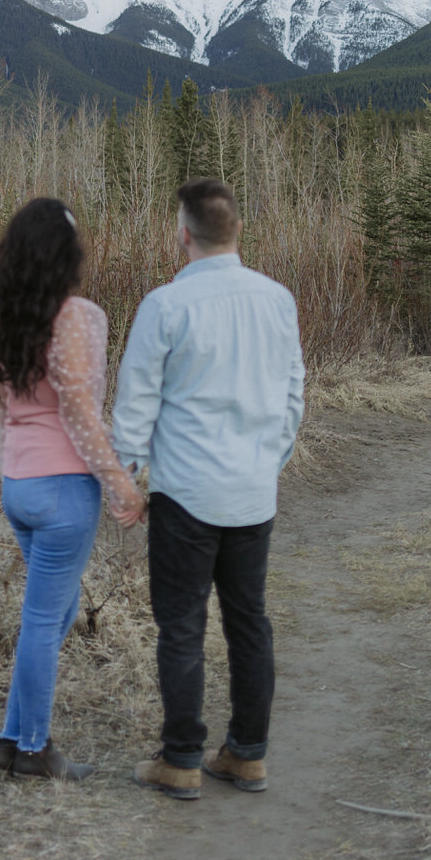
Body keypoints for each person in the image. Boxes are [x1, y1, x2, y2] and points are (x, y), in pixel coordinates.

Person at [112, 178, 305, 800]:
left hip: (186, 493)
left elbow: (136, 402)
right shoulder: (278, 300)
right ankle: (247, 754)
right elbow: (293, 397)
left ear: (183, 234)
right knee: (249, 620)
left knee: (182, 627)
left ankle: (182, 759)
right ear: (237, 231)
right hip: (252, 491)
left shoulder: (166, 306)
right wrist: (268, 462)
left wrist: (125, 479)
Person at [0, 197, 145, 783]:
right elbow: (79, 410)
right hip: (63, 490)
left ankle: (8, 739)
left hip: (19, 485)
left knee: (52, 612)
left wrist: (8, 473)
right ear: (66, 255)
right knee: (46, 621)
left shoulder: (6, 318)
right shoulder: (76, 317)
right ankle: (33, 749)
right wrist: (120, 481)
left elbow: (1, 413)